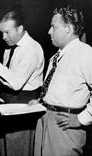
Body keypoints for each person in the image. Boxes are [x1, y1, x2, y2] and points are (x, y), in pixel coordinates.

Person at [28, 5, 92, 156]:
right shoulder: (57, 56)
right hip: (44, 121)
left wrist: (83, 119)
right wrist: (41, 101)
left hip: (64, 127)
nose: (49, 31)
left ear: (68, 28)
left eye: (53, 27)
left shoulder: (85, 54)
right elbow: (58, 89)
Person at [0, 11, 45, 156]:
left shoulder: (31, 49)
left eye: (7, 32)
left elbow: (17, 83)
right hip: (7, 100)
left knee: (18, 149)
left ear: (20, 29)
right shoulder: (11, 46)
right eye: (2, 33)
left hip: (24, 104)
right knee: (3, 148)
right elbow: (8, 75)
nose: (3, 37)